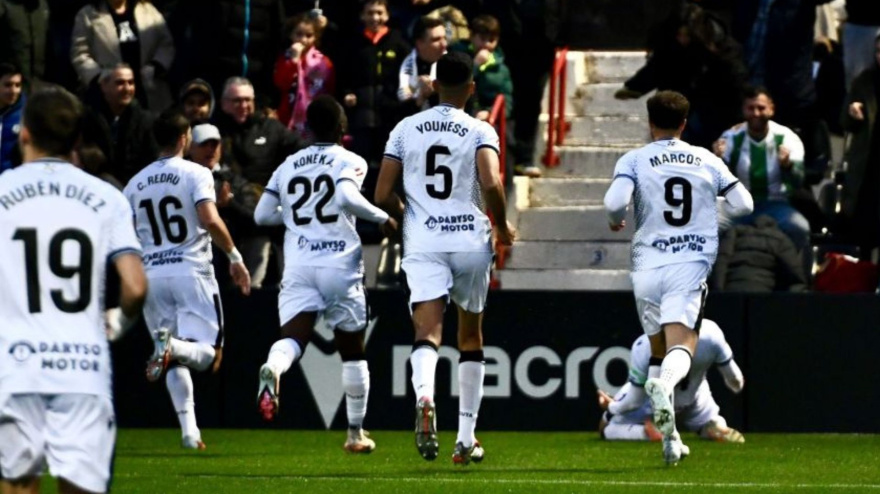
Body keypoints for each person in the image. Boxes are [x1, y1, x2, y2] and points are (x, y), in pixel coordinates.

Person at [0, 86, 147, 494]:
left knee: (17, 485)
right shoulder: (106, 198)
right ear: (78, 139)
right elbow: (135, 287)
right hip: (82, 368)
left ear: (24, 133)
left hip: (15, 367)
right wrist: (115, 324)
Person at [375, 52, 516, 465]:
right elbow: (490, 182)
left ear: (433, 85)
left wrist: (407, 214)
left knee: (427, 331)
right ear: (472, 89)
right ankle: (466, 438)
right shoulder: (479, 129)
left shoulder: (404, 128)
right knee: (470, 337)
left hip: (424, 240)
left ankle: (423, 396)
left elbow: (382, 195)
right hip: (470, 240)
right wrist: (502, 225)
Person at [603, 90, 753, 465]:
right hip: (687, 264)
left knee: (657, 351)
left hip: (647, 267)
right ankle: (665, 384)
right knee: (681, 348)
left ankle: (671, 442)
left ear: (649, 121)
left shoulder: (634, 159)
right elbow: (744, 204)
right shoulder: (705, 158)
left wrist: (615, 220)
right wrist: (713, 215)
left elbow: (613, 204)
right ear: (684, 123)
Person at [253, 95, 398, 453]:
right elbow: (347, 197)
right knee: (352, 350)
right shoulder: (351, 159)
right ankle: (354, 433)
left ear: (307, 126)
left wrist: (295, 220)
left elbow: (261, 215)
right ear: (342, 127)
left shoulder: (288, 164)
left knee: (294, 338)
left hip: (299, 263)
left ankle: (273, 367)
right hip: (338, 263)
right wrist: (383, 218)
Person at [123, 109, 251, 450]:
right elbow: (208, 219)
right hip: (190, 270)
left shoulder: (134, 184)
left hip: (152, 273)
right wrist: (235, 257)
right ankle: (174, 346)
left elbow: (128, 235)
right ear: (184, 138)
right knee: (210, 354)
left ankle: (189, 432)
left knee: (173, 360)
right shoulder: (197, 173)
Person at [214, 76, 305, 289]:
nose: (243, 106)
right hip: (227, 218)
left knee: (256, 281)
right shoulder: (215, 132)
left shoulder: (271, 128)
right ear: (224, 103)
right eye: (236, 101)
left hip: (262, 221)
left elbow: (301, 148)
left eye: (248, 100)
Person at [597, 320, 745, 444]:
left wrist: (610, 409)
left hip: (653, 407)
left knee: (605, 427)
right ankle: (714, 423)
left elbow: (634, 401)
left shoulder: (644, 345)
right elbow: (735, 381)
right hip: (694, 401)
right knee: (706, 409)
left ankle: (647, 431)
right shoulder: (712, 333)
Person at [712, 86, 811, 255]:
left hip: (776, 204)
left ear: (771, 109)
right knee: (705, 225)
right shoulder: (730, 138)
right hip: (739, 205)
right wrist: (718, 162)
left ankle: (792, 275)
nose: (756, 113)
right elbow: (717, 185)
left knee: (799, 228)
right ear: (743, 110)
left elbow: (799, 182)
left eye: (761, 108)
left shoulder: (787, 138)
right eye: (751, 108)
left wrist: (788, 166)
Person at [71, 0, 175, 111]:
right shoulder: (87, 14)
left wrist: (156, 66)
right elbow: (80, 53)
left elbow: (166, 44)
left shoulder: (148, 10)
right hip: (107, 97)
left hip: (149, 92)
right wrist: (101, 79)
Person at [80, 64, 158, 186]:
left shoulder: (146, 120)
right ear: (104, 86)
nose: (127, 88)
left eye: (131, 83)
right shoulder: (87, 119)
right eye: (120, 83)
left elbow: (152, 161)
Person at [840, 34, 880, 254]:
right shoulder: (864, 81)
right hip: (868, 162)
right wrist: (852, 113)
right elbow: (843, 123)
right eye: (878, 52)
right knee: (866, 230)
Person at [274, 12, 336, 135]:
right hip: (288, 118)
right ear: (291, 35)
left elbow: (330, 90)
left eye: (309, 36)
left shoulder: (324, 62)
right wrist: (293, 61)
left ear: (315, 38)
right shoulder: (285, 59)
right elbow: (281, 83)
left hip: (315, 120)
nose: (303, 40)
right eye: (299, 34)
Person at [449, 14, 514, 122]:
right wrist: (475, 65)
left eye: (492, 40)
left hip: (486, 119)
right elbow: (454, 85)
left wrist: (489, 112)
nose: (486, 44)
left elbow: (507, 101)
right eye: (482, 39)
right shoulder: (457, 56)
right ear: (472, 36)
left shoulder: (501, 69)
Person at [397, 15, 447, 115]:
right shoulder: (402, 67)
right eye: (436, 40)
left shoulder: (455, 66)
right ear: (419, 43)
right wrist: (420, 98)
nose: (444, 44)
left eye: (444, 38)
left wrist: (435, 92)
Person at [0, 63, 24, 173]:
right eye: (7, 85)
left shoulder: (26, 114)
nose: (13, 91)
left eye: (17, 85)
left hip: (12, 181)